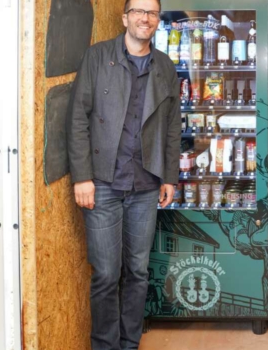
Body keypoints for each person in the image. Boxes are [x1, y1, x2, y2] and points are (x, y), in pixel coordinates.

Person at [66, 0, 182, 348]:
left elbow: (173, 128)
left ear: (157, 20)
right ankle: (105, 345)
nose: (145, 18)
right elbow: (77, 119)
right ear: (125, 17)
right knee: (105, 273)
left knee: (137, 271)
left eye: (152, 13)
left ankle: (129, 343)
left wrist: (170, 177)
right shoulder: (98, 57)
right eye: (138, 11)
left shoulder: (165, 66)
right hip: (102, 183)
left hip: (146, 185)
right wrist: (81, 176)